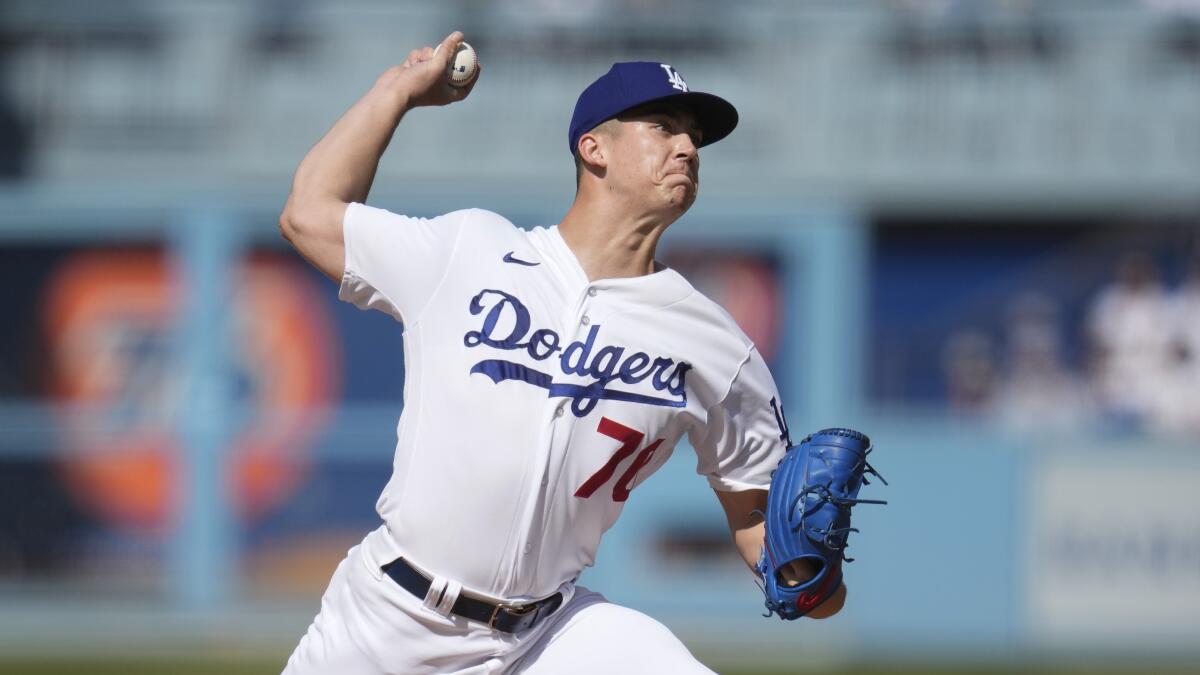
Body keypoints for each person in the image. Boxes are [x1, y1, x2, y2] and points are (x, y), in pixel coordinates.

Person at [278, 32, 843, 675]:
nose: (688, 147)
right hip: (388, 622)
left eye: (695, 137)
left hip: (549, 636)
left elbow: (757, 516)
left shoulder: (714, 343)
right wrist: (398, 91)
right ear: (592, 148)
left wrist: (808, 575)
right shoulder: (470, 250)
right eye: (663, 126)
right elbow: (309, 214)